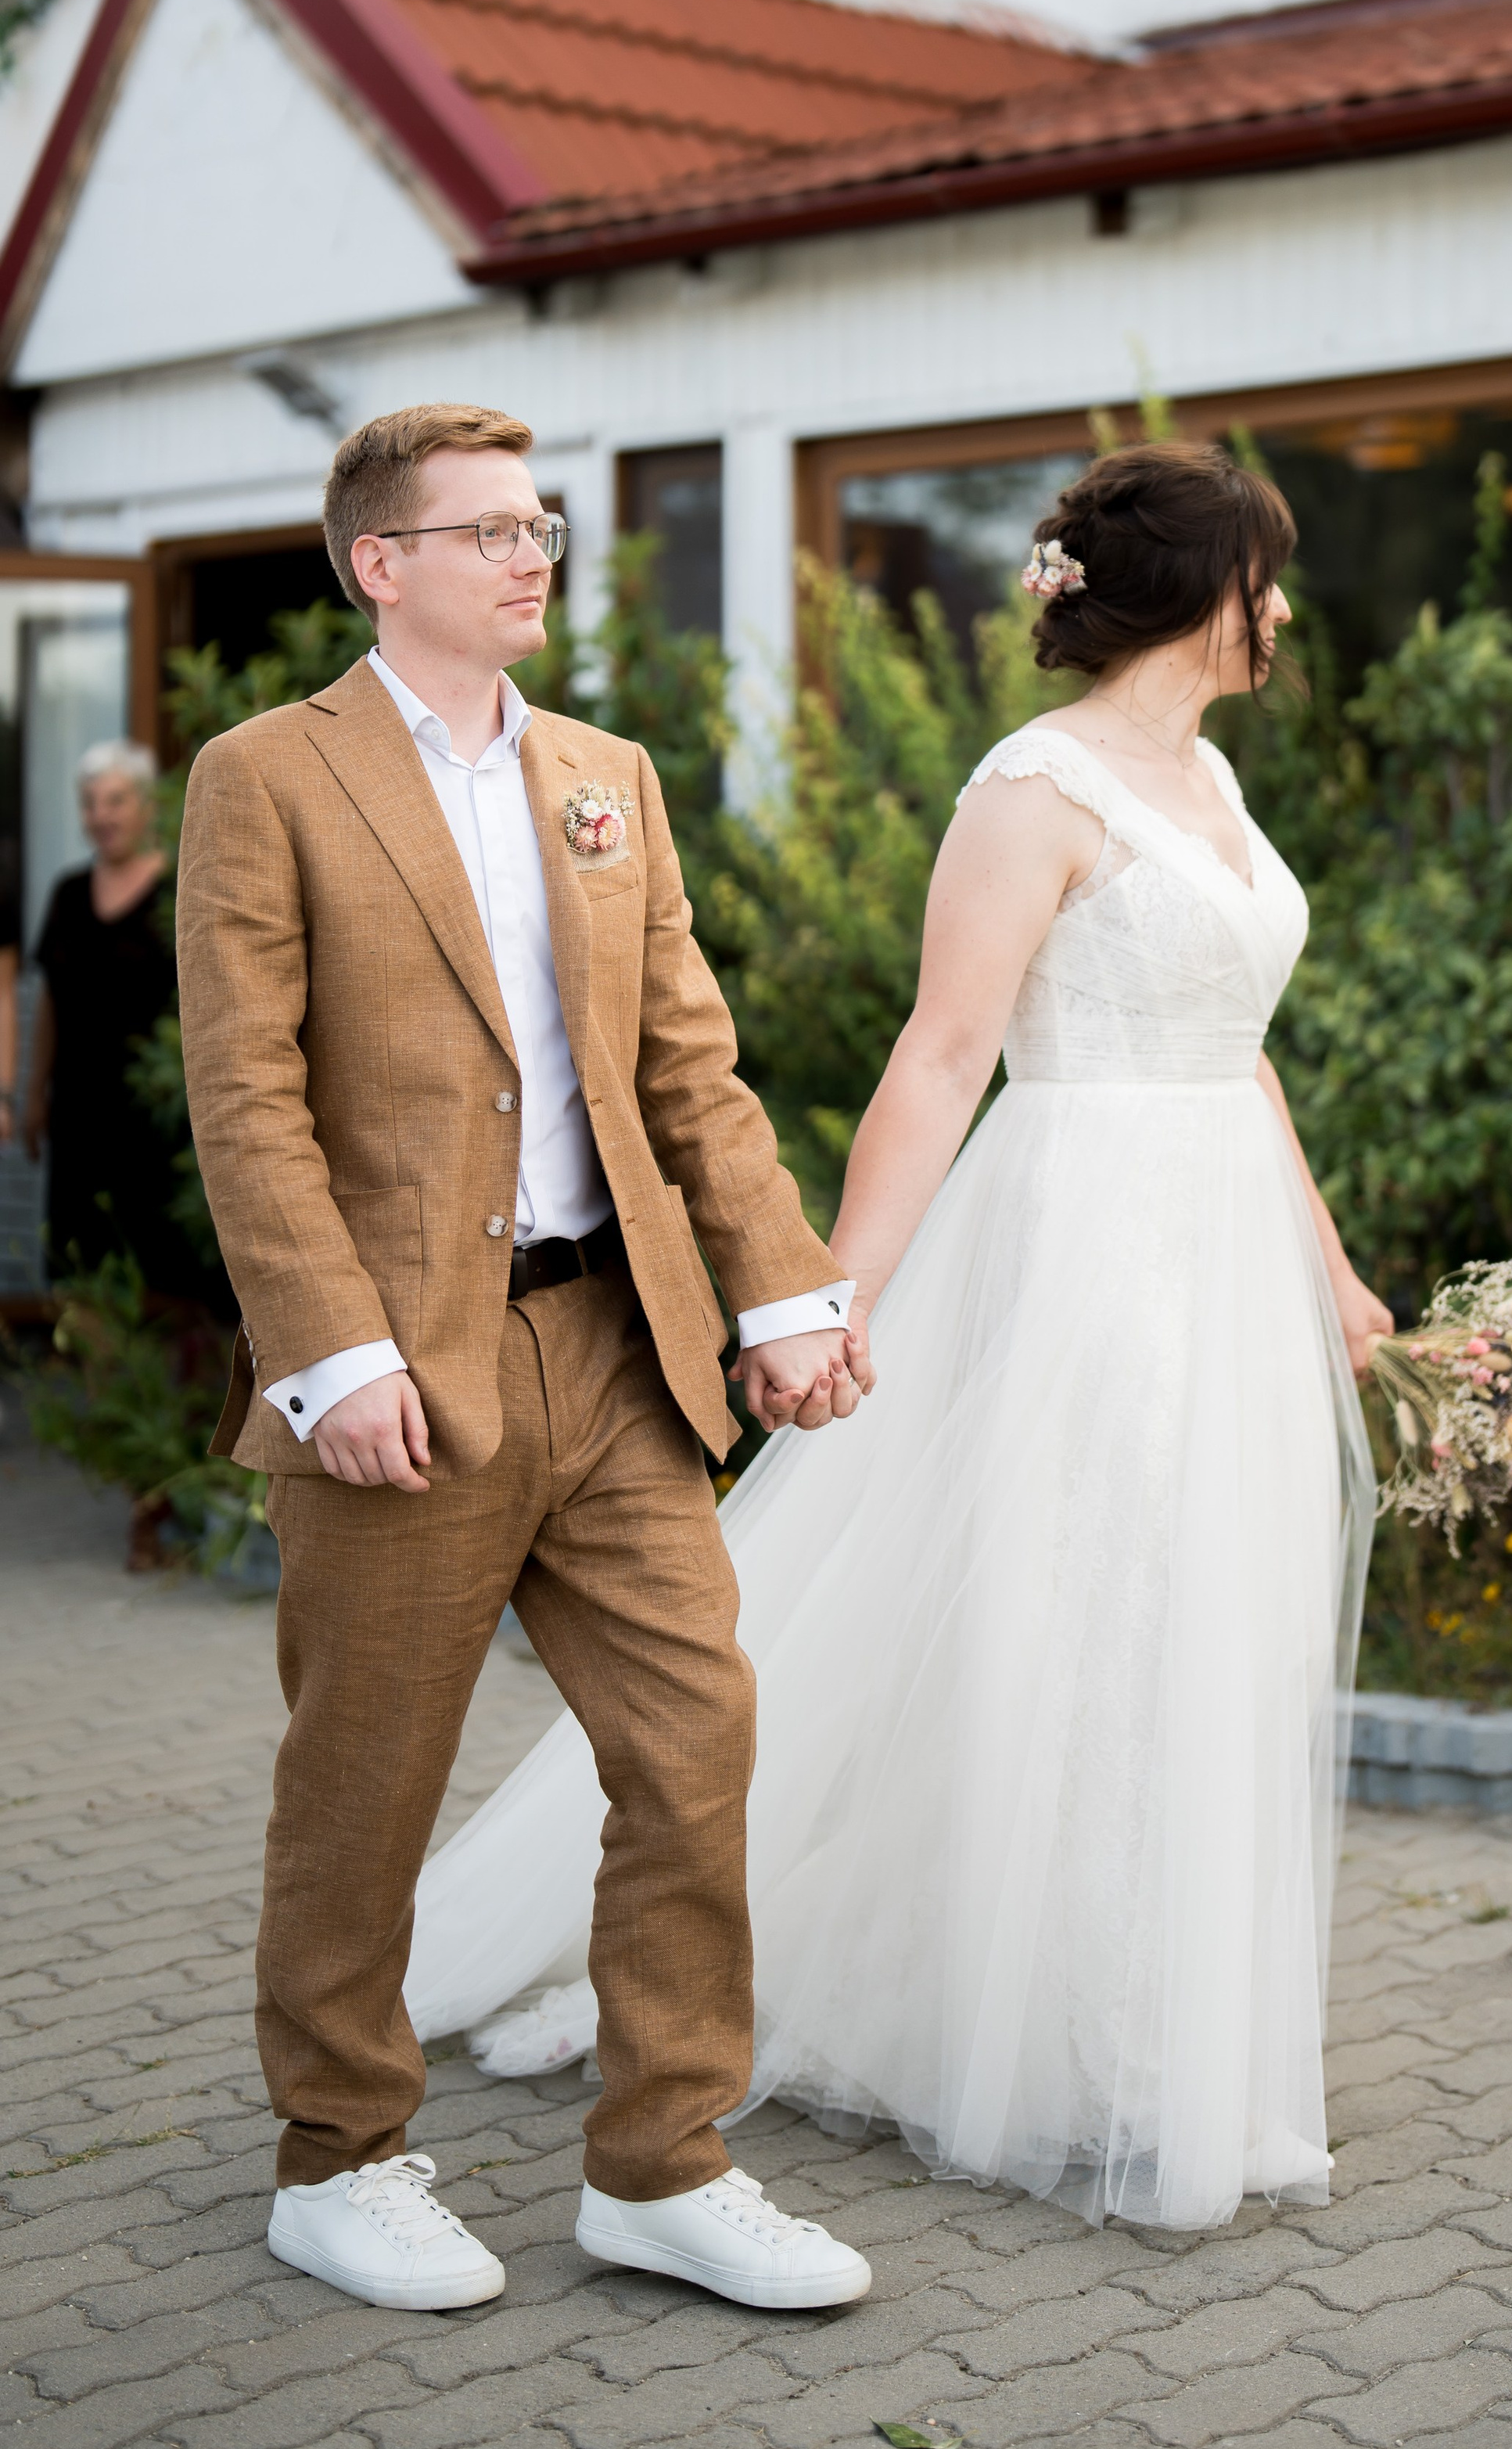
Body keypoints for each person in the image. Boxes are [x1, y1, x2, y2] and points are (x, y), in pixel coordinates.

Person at [407, 441, 1390, 2234]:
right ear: (1197, 589)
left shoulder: (1212, 782)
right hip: (1081, 1236)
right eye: (1267, 575)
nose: (1281, 608)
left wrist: (1325, 1270)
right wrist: (829, 1292)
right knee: (1085, 1609)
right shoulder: (1033, 787)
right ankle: (1076, 2049)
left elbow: (1237, 1041)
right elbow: (941, 1052)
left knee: (1203, 1616)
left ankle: (1167, 2017)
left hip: (1224, 1245)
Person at [175, 402, 875, 2318]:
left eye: (540, 523)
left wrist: (783, 1288)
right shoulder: (267, 773)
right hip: (404, 1365)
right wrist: (328, 1349)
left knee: (694, 1734)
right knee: (367, 1778)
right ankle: (339, 2152)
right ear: (377, 563)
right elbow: (241, 1092)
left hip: (616, 1353)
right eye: (486, 528)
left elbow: (685, 1068)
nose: (533, 553)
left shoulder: (604, 776)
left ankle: (660, 2159)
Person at [26, 741, 191, 1293]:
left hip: (156, 1115)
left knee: (159, 1260)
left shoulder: (179, 891)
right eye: (90, 803)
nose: (101, 816)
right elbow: (49, 999)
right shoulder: (69, 892)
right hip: (77, 1110)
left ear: (146, 804)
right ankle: (100, 1380)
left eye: (115, 801)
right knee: (83, 1261)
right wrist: (32, 1094)